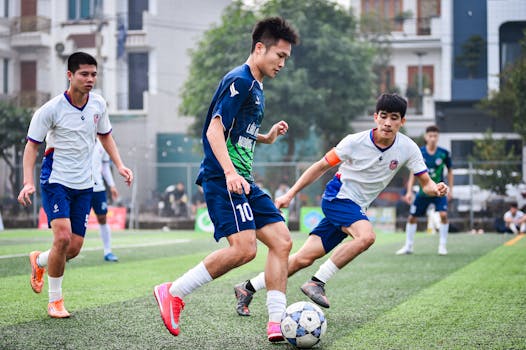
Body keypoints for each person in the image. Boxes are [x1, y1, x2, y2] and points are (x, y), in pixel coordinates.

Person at [153, 17, 299, 342]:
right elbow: (214, 128)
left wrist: (266, 138)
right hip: (224, 178)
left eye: (286, 58)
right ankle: (173, 291)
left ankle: (277, 321)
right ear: (260, 48)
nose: (283, 63)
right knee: (244, 249)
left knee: (281, 241)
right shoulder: (241, 80)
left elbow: (237, 130)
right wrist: (230, 172)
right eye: (280, 55)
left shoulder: (256, 85)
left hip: (242, 179)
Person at [233, 93, 449, 314]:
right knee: (366, 236)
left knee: (302, 259)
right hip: (338, 198)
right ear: (375, 117)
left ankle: (247, 288)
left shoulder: (408, 148)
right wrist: (290, 194)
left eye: (394, 117)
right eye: (383, 116)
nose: (387, 122)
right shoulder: (354, 142)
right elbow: (320, 166)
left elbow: (426, 184)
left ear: (402, 121)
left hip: (355, 208)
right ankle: (317, 282)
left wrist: (436, 188)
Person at [17, 52, 133, 318]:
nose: (90, 79)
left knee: (73, 248)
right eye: (84, 74)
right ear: (70, 75)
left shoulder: (99, 105)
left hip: (85, 185)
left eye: (93, 74)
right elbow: (31, 147)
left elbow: (106, 137)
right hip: (55, 181)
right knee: (62, 238)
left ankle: (40, 260)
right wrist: (26, 182)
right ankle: (55, 301)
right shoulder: (51, 109)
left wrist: (120, 165)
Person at [396, 125, 453, 256]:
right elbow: (413, 173)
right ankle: (408, 246)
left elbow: (450, 171)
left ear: (438, 137)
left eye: (435, 136)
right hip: (423, 192)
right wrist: (409, 191)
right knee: (411, 217)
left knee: (443, 215)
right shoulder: (419, 152)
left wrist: (451, 190)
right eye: (430, 136)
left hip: (438, 191)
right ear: (426, 137)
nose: (432, 138)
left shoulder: (444, 153)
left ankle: (442, 246)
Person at [92, 138, 120, 262]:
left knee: (102, 218)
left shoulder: (102, 143)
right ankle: (67, 251)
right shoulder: (79, 139)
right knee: (76, 219)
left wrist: (112, 185)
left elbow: (105, 167)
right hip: (81, 188)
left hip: (98, 188)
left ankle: (108, 251)